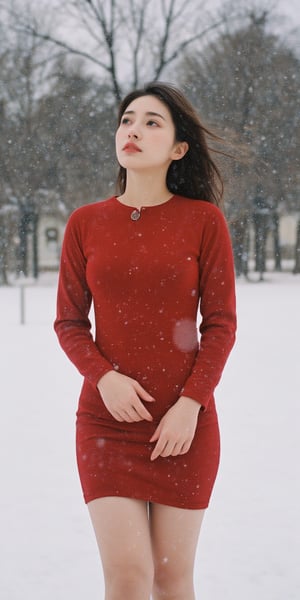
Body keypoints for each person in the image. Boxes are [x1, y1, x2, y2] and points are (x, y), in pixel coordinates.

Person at [54, 81, 236, 600]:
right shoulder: (85, 223)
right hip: (106, 424)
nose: (133, 129)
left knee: (173, 581)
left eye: (152, 122)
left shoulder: (204, 221)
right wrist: (104, 377)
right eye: (127, 119)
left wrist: (191, 404)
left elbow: (221, 323)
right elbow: (69, 321)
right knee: (130, 578)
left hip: (186, 425)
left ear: (179, 148)